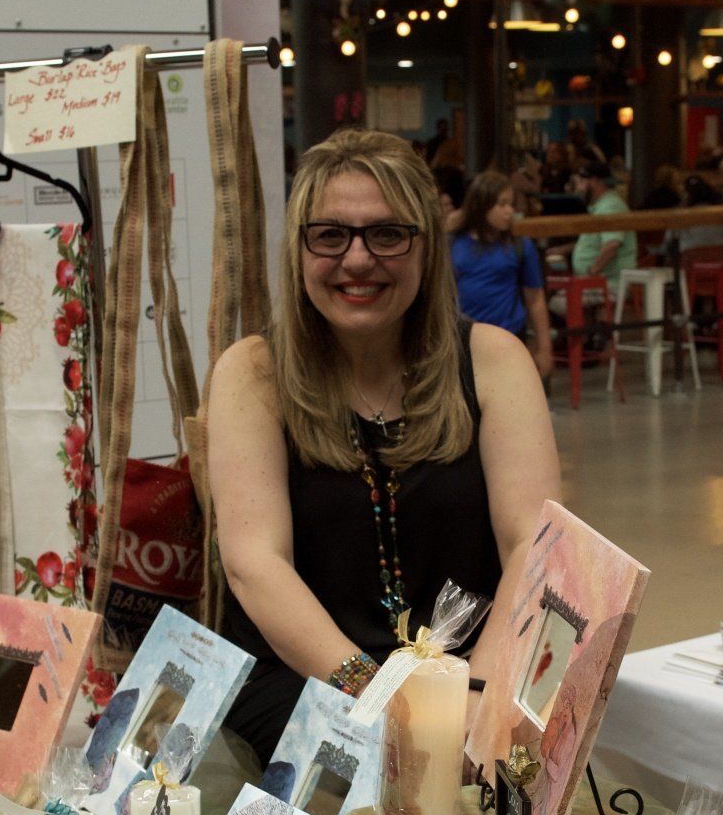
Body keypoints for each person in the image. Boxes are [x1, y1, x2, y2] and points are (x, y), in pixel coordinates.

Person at [209, 130, 560, 762]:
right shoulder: (253, 373)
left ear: (426, 247)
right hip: (307, 680)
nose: (358, 259)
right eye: (330, 235)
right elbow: (254, 565)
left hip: (473, 673)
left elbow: (532, 550)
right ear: (299, 250)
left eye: (387, 234)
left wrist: (474, 693)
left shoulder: (493, 362)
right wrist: (377, 701)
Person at [452, 169, 553, 380]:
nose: (509, 211)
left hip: (509, 337)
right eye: (502, 204)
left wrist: (544, 347)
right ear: (482, 205)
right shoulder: (453, 244)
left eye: (511, 204)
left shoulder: (520, 246)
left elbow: (535, 298)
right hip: (464, 341)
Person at [571, 159, 636, 295]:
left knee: (557, 302)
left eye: (582, 182)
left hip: (609, 284)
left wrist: (592, 272)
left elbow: (611, 246)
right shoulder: (600, 206)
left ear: (594, 181)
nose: (579, 188)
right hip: (596, 281)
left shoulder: (611, 206)